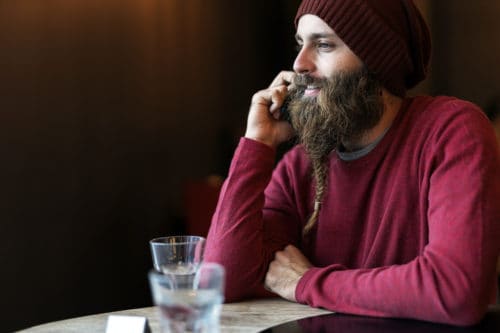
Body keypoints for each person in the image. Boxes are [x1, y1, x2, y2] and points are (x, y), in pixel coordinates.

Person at [205, 0, 500, 326]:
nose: (299, 64)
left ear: (376, 58)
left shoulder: (451, 131)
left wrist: (307, 282)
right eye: (300, 44)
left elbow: (456, 291)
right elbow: (220, 283)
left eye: (324, 45)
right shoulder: (299, 167)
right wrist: (257, 144)